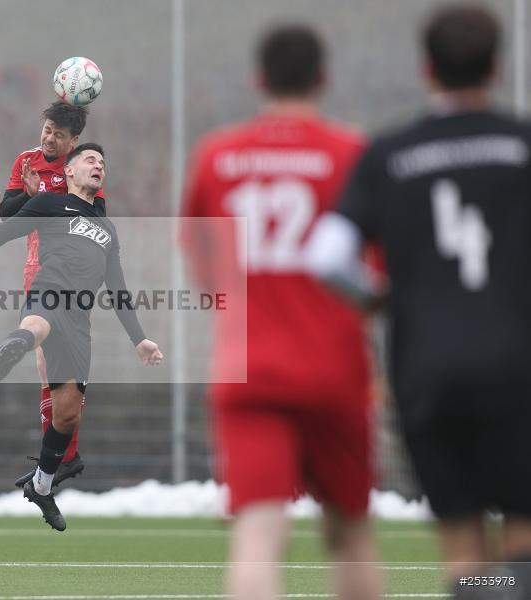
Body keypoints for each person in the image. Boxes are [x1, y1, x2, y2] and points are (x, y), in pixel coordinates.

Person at [305, 4, 531, 596]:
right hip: (517, 363)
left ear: (427, 68)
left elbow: (325, 255)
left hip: (428, 367)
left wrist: (376, 299)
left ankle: (478, 585)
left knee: (464, 549)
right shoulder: (522, 144)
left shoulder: (390, 153)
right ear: (495, 67)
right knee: (523, 536)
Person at [181, 25, 381, 600]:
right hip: (334, 368)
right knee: (350, 535)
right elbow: (373, 273)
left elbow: (204, 268)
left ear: (259, 80)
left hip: (248, 369)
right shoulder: (351, 153)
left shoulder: (217, 156)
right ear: (324, 78)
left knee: (259, 534)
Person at [0, 143, 163, 531]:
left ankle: (42, 485)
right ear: (69, 172)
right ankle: (15, 344)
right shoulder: (49, 204)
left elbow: (118, 288)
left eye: (102, 163)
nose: (98, 166)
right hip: (49, 291)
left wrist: (139, 339)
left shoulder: (107, 229)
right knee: (37, 324)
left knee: (68, 414)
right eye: (90, 160)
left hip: (79, 320)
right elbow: (0, 234)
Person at [0, 102, 105, 490]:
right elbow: (6, 213)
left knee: (62, 365)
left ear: (73, 141)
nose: (49, 138)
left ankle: (61, 457)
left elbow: (98, 217)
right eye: (47, 130)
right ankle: (61, 458)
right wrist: (31, 197)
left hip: (73, 273)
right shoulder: (26, 161)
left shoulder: (81, 167)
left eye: (58, 135)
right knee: (47, 366)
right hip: (37, 267)